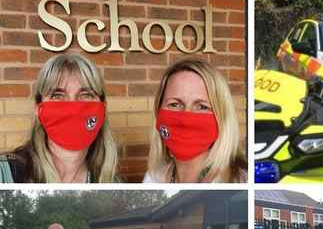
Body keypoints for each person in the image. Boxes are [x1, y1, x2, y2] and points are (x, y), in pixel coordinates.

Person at [0, 54, 118, 183]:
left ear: (103, 108)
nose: (73, 108)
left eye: (86, 95)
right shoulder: (5, 175)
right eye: (57, 95)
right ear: (38, 108)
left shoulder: (112, 184)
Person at [145, 58, 247, 183]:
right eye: (175, 104)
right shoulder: (153, 177)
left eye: (202, 107)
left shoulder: (242, 180)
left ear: (222, 116)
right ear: (158, 111)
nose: (186, 120)